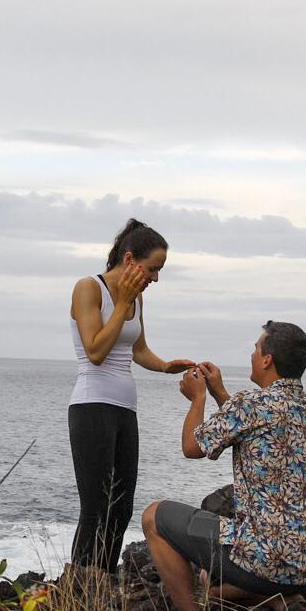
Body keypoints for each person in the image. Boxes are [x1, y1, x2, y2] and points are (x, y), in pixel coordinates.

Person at [141, 321, 306, 611]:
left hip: (260, 559)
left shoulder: (250, 404)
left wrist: (198, 398)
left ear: (268, 359)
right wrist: (219, 392)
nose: (252, 354)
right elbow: (249, 426)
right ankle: (283, 601)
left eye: (256, 348)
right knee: (209, 584)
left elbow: (192, 446)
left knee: (154, 517)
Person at [68, 218, 195, 575]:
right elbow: (95, 350)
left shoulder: (135, 300)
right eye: (153, 269)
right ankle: (80, 589)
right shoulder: (88, 288)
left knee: (121, 508)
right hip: (92, 404)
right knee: (96, 506)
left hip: (125, 408)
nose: (155, 278)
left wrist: (166, 365)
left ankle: (104, 581)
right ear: (130, 259)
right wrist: (122, 303)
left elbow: (137, 350)